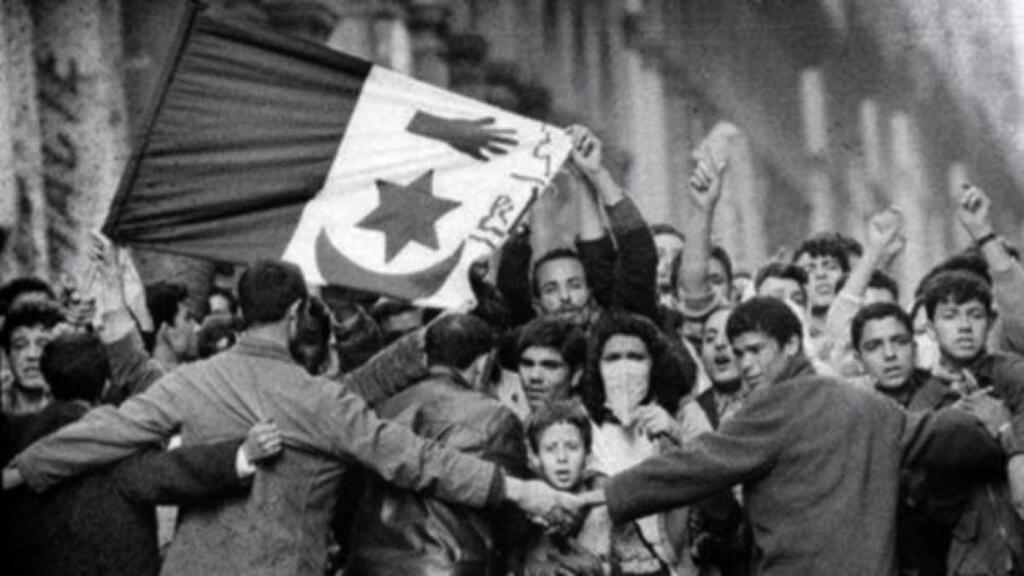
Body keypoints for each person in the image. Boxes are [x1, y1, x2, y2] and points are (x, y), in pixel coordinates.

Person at [3, 259, 576, 575]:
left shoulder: (193, 381)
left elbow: (106, 431)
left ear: (244, 310)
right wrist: (519, 491)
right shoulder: (321, 401)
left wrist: (21, 470)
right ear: (301, 312)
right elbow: (416, 461)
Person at [576, 296, 1010, 575]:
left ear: (790, 346)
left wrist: (601, 495)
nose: (745, 364)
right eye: (737, 352)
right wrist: (1000, 428)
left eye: (756, 350)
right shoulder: (866, 403)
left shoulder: (770, 408)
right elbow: (938, 434)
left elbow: (695, 465)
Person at [0, 331, 283, 576]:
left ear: (47, 383)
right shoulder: (121, 446)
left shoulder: (12, 439)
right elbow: (174, 470)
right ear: (106, 386)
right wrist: (241, 454)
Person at [346, 314, 528, 575]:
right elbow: (511, 520)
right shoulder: (496, 419)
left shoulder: (379, 410)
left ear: (426, 357)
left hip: (369, 566)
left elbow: (349, 497)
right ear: (484, 362)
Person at [918, 269, 1024, 574]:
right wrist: (955, 431)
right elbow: (921, 493)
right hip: (970, 554)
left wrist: (1004, 428)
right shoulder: (925, 400)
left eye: (974, 315)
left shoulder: (1014, 375)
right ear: (930, 328)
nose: (964, 327)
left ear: (990, 322)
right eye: (950, 316)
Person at [579, 310, 694, 575]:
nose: (624, 369)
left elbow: (714, 481)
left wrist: (675, 433)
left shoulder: (680, 416)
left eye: (636, 357)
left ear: (654, 364)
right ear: (597, 365)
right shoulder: (582, 425)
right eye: (613, 358)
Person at [851, 303, 960, 576]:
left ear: (914, 346)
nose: (890, 355)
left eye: (899, 342)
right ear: (858, 358)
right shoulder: (851, 412)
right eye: (874, 346)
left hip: (949, 552)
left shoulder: (949, 399)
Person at [522, 399, 608, 576]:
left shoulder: (606, 505)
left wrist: (605, 570)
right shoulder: (526, 509)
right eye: (550, 449)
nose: (562, 458)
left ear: (588, 454)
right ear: (535, 457)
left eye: (572, 447)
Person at [1, 301, 64, 415]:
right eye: (20, 346)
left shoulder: (76, 412)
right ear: (7, 356)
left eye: (43, 345)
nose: (32, 355)